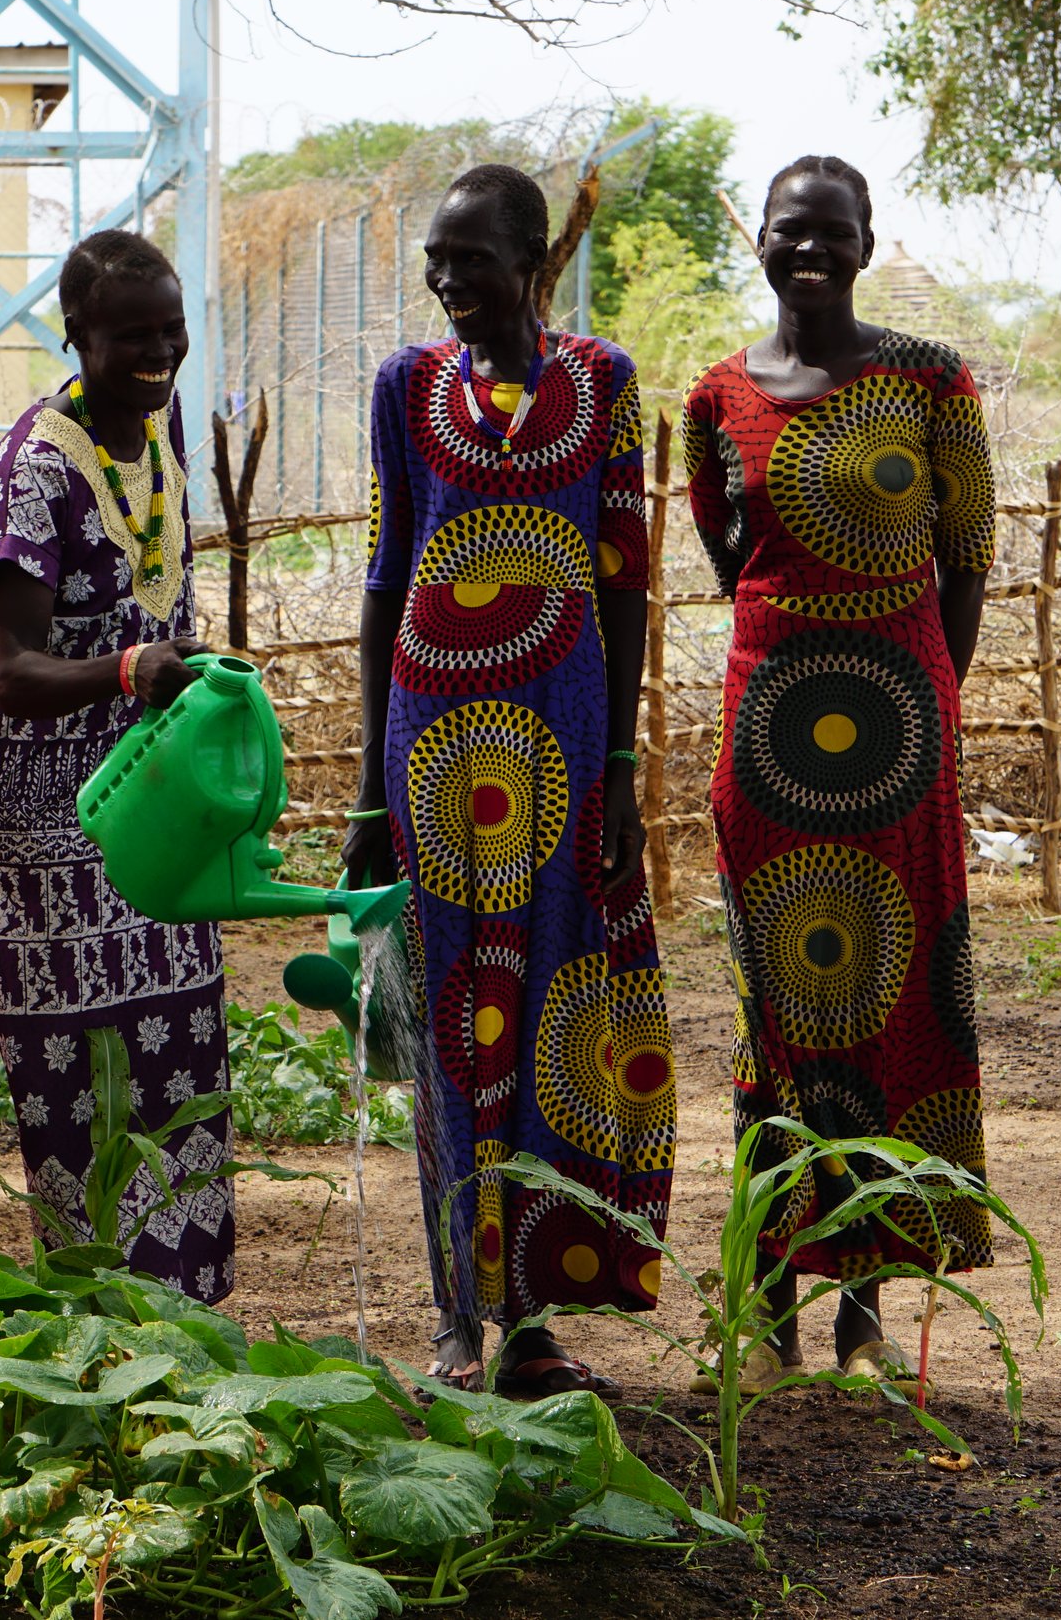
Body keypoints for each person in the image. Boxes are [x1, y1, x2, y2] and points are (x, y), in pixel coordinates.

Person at [344, 164, 675, 1397]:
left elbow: (626, 579)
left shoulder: (603, 385)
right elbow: (385, 576)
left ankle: (530, 1315)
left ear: (534, 264)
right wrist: (372, 784)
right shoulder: (406, 387)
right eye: (435, 258)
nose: (445, 281)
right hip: (432, 734)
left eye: (470, 259)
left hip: (565, 726)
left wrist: (628, 765)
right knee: (447, 1017)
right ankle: (452, 1315)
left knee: (546, 1004)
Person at [682, 155, 994, 1386]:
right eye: (786, 231)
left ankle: (863, 1300)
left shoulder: (930, 379)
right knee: (779, 1019)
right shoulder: (713, 397)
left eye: (832, 233)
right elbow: (726, 552)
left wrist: (925, 703)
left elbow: (964, 557)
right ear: (756, 242)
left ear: (868, 242)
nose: (808, 251)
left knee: (887, 1004)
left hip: (901, 741)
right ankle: (767, 1306)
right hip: (770, 743)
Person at [0, 228, 236, 1302]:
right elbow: (12, 669)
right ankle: (99, 1306)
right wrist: (128, 666)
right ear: (77, 336)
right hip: (34, 807)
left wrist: (183, 679)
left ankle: (185, 1304)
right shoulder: (35, 467)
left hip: (144, 781)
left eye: (171, 329)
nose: (158, 353)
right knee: (81, 1056)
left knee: (179, 1027)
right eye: (130, 336)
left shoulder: (153, 438)